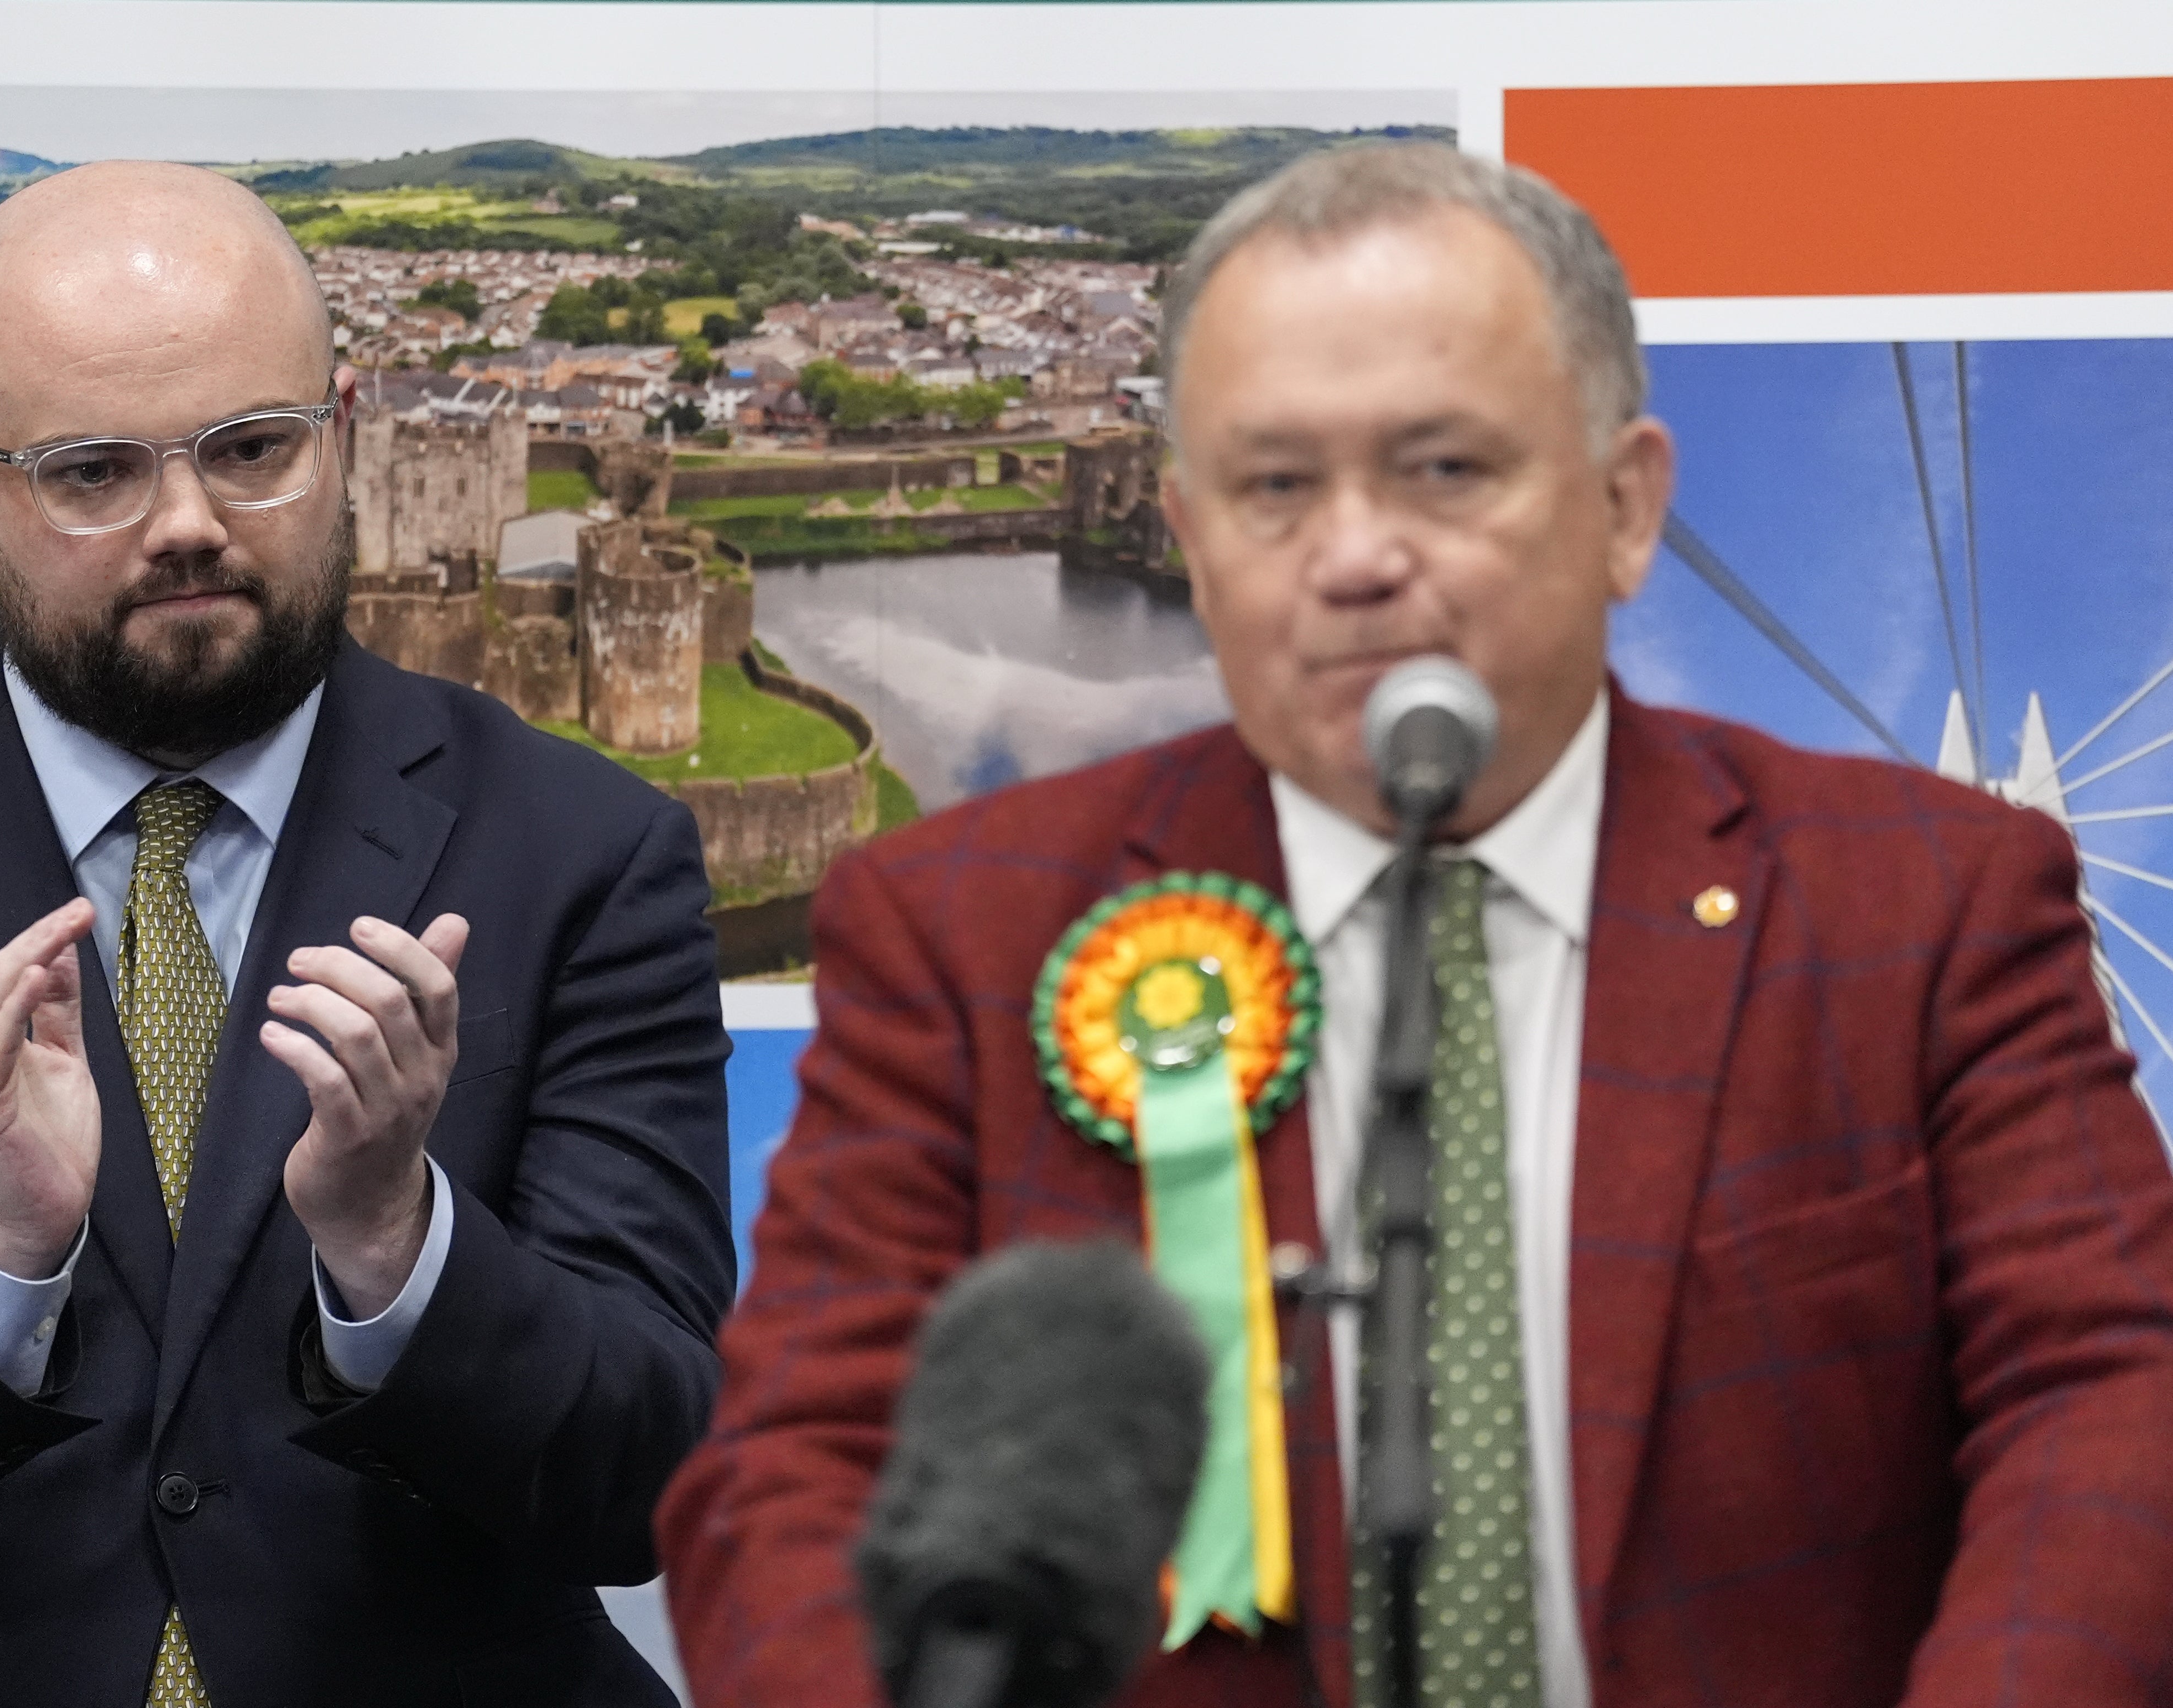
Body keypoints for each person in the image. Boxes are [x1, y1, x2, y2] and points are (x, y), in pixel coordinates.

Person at [658, 143, 2173, 1707]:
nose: (1357, 556)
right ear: (1184, 526)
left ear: (1624, 506)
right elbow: (785, 1477)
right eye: (1273, 487)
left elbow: (2112, 1390)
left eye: (1444, 468)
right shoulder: (957, 925)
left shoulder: (1927, 898)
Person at [0, 161, 732, 1707]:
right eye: (92, 471)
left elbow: (652, 1482)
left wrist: (398, 1244)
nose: (188, 523)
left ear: (340, 430)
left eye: (250, 448)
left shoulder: (590, 854)